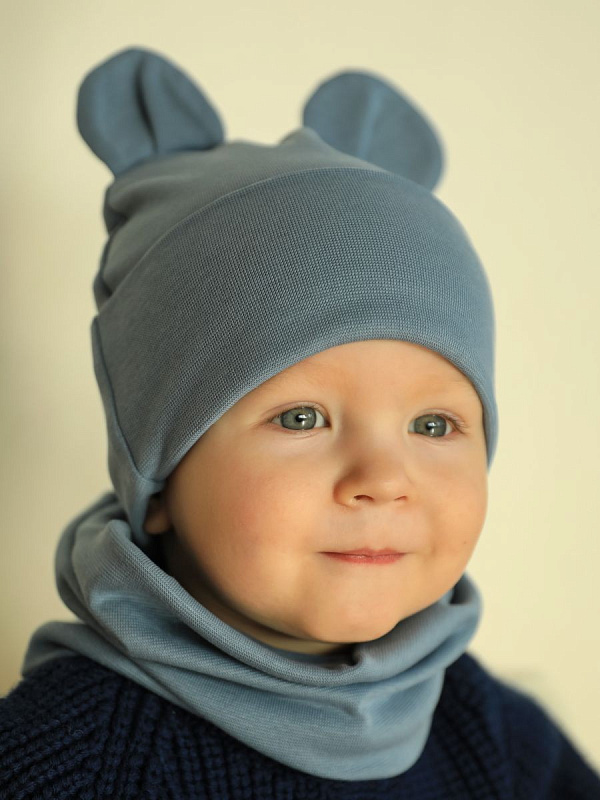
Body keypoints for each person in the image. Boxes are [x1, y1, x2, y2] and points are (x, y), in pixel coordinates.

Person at [1, 46, 598, 799]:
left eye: (434, 426)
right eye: (302, 416)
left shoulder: (501, 741)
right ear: (156, 480)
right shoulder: (68, 766)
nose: (383, 480)